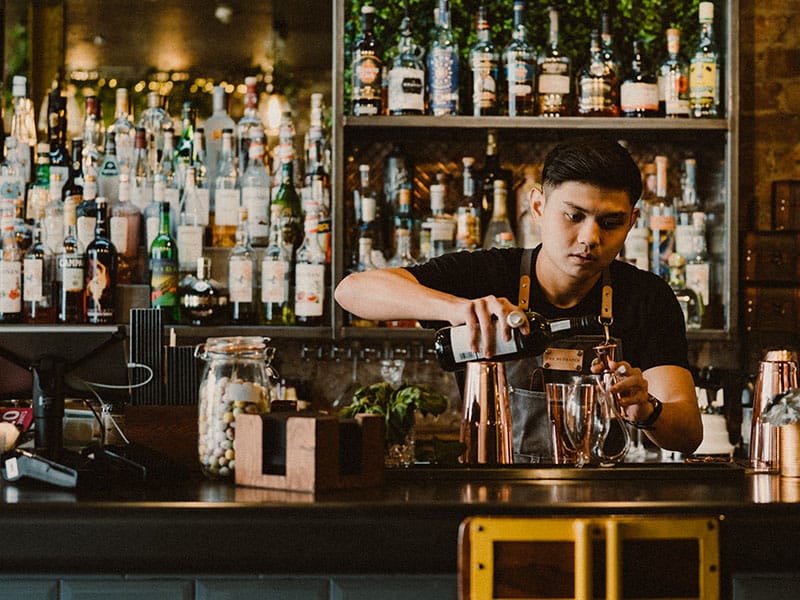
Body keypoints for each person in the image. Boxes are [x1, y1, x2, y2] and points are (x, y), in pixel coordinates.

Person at [335, 137, 702, 458]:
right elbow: (350, 291)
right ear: (538, 206)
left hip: (599, 496)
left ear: (633, 221)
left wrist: (648, 410)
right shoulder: (487, 274)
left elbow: (688, 435)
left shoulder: (647, 297)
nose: (590, 238)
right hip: (492, 491)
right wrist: (458, 309)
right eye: (573, 216)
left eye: (610, 223)